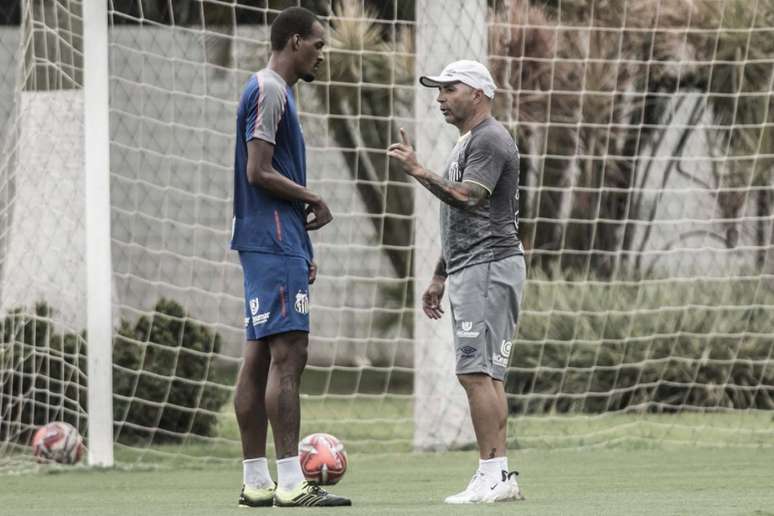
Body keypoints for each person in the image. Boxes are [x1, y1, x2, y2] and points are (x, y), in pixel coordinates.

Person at [387, 59, 526, 504]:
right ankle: (497, 474)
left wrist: (418, 169)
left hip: (488, 266)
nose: (440, 98)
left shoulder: (489, 139)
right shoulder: (469, 141)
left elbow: (467, 198)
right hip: (474, 267)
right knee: (486, 375)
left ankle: (492, 473)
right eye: (437, 90)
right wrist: (439, 275)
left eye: (450, 89)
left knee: (474, 372)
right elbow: (459, 219)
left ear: (479, 93)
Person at [231, 6, 350, 508]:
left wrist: (303, 246)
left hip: (274, 240)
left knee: (258, 355)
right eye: (319, 44)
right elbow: (258, 171)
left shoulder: (272, 91)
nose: (323, 53)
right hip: (273, 238)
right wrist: (313, 198)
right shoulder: (271, 90)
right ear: (296, 41)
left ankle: (257, 482)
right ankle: (290, 482)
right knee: (290, 355)